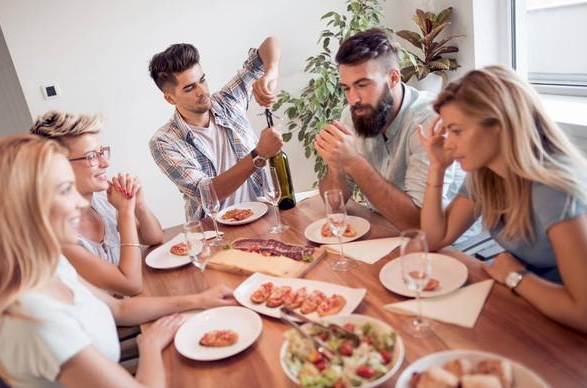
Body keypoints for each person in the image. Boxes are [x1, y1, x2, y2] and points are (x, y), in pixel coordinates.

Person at [0, 135, 235, 388]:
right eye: (66, 190)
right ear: (25, 207)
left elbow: (119, 309)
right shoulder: (33, 317)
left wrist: (198, 300)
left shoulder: (49, 267)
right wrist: (150, 345)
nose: (81, 204)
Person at [418, 65, 587, 335]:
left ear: (499, 125)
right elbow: (433, 239)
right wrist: (437, 168)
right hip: (532, 306)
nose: (448, 144)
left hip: (571, 327)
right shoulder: (485, 174)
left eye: (456, 130)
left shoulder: (555, 191)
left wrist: (515, 276)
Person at [314, 28, 465, 231]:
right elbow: (333, 202)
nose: (353, 99)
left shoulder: (430, 121)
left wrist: (354, 162)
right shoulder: (354, 113)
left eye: (362, 84)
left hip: (451, 246)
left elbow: (418, 224)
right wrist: (336, 165)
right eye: (346, 88)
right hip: (386, 229)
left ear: (394, 78)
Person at [148, 37, 283, 220]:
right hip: (215, 233)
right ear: (170, 99)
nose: (202, 91)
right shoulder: (164, 142)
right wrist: (259, 154)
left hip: (264, 215)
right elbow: (207, 193)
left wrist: (270, 72)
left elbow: (269, 44)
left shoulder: (227, 102)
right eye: (189, 88)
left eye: (202, 80)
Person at [31, 111, 163, 296]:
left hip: (128, 303)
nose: (105, 163)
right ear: (58, 165)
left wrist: (138, 205)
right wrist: (125, 212)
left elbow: (154, 238)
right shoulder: (56, 234)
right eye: (92, 156)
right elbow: (129, 285)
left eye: (102, 152)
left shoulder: (100, 201)